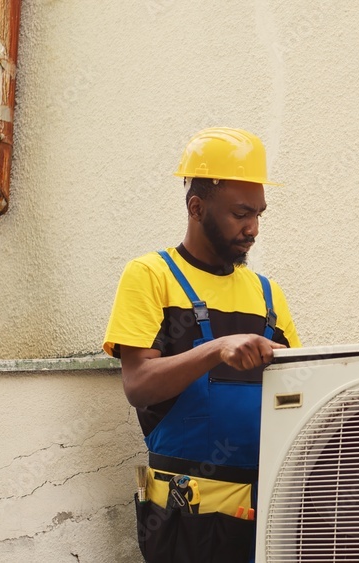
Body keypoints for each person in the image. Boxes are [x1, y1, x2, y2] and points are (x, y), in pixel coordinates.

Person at [103, 127, 301, 563]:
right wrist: (215, 349)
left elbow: (300, 391)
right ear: (196, 207)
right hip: (188, 519)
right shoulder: (151, 276)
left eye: (259, 214)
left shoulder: (268, 294)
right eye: (241, 214)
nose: (253, 229)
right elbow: (137, 385)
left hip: (267, 515)